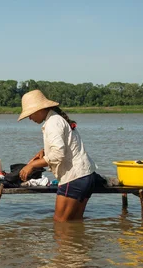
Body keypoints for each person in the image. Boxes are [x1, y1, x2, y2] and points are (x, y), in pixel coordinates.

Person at [17, 90, 100, 222]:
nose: (30, 118)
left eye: (30, 114)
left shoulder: (52, 123)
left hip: (73, 178)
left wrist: (31, 165)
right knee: (75, 224)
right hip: (86, 176)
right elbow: (66, 144)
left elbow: (58, 155)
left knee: (60, 225)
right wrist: (44, 151)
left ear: (39, 109)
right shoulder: (57, 119)